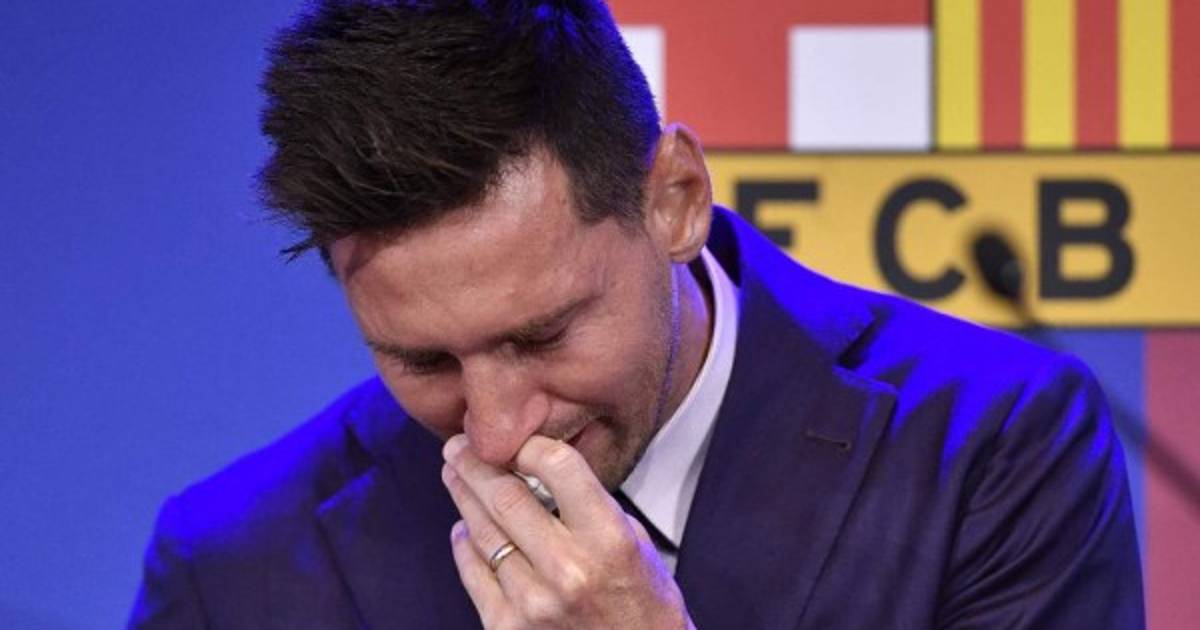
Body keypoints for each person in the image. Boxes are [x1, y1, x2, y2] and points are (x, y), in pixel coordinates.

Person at [129, 1, 1145, 628]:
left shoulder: (990, 446)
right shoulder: (238, 569)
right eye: (424, 361)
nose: (497, 432)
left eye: (542, 335)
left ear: (675, 200)